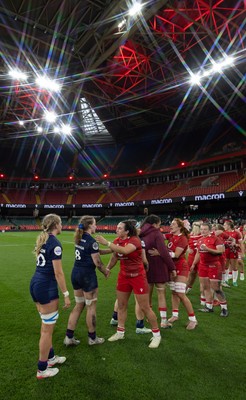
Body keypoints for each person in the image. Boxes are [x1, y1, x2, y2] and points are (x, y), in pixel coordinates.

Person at [96, 220, 161, 348]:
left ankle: (157, 335)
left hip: (138, 277)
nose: (117, 230)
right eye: (117, 227)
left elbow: (125, 251)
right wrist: (108, 268)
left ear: (127, 231)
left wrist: (107, 243)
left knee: (145, 307)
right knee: (121, 305)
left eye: (120, 228)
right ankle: (120, 332)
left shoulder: (135, 240)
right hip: (124, 277)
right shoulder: (117, 240)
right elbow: (115, 255)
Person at [30, 214, 71, 379]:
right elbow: (58, 272)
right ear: (56, 224)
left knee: (46, 326)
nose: (62, 226)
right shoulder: (54, 242)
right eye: (60, 223)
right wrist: (66, 294)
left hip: (36, 283)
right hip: (45, 287)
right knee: (47, 331)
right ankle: (42, 369)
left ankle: (51, 358)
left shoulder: (44, 239)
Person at [64, 216, 107, 347]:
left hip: (76, 273)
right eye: (94, 224)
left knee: (79, 305)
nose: (96, 227)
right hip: (87, 276)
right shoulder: (92, 240)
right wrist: (105, 271)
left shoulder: (79, 238)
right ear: (89, 226)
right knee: (91, 306)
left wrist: (112, 249)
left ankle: (68, 337)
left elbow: (94, 251)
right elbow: (98, 262)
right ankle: (92, 338)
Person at [109, 219, 152, 334]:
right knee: (139, 301)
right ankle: (140, 325)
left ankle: (114, 318)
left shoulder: (127, 240)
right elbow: (143, 259)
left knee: (121, 299)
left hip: (126, 274)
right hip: (136, 274)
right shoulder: (138, 241)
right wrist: (147, 265)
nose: (139, 230)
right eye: (138, 227)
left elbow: (114, 253)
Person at [139, 214, 176, 328]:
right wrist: (172, 267)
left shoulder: (140, 233)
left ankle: (149, 318)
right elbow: (164, 253)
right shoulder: (157, 233)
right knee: (161, 293)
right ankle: (164, 321)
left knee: (147, 295)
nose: (160, 227)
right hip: (159, 267)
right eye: (159, 224)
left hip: (146, 267)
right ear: (155, 224)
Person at [165, 218, 198, 330]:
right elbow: (158, 237)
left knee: (180, 293)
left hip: (181, 267)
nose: (171, 225)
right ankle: (175, 315)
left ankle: (193, 319)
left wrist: (160, 253)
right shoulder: (171, 236)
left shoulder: (182, 238)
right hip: (172, 267)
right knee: (174, 292)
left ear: (179, 227)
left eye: (173, 224)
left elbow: (176, 255)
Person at [191, 222, 228, 316]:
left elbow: (220, 252)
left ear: (210, 230)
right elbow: (198, 253)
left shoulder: (216, 239)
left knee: (216, 288)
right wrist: (193, 264)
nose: (203, 231)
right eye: (202, 229)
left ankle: (224, 308)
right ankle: (209, 307)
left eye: (205, 229)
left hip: (214, 266)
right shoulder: (200, 240)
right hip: (203, 266)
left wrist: (208, 249)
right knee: (205, 287)